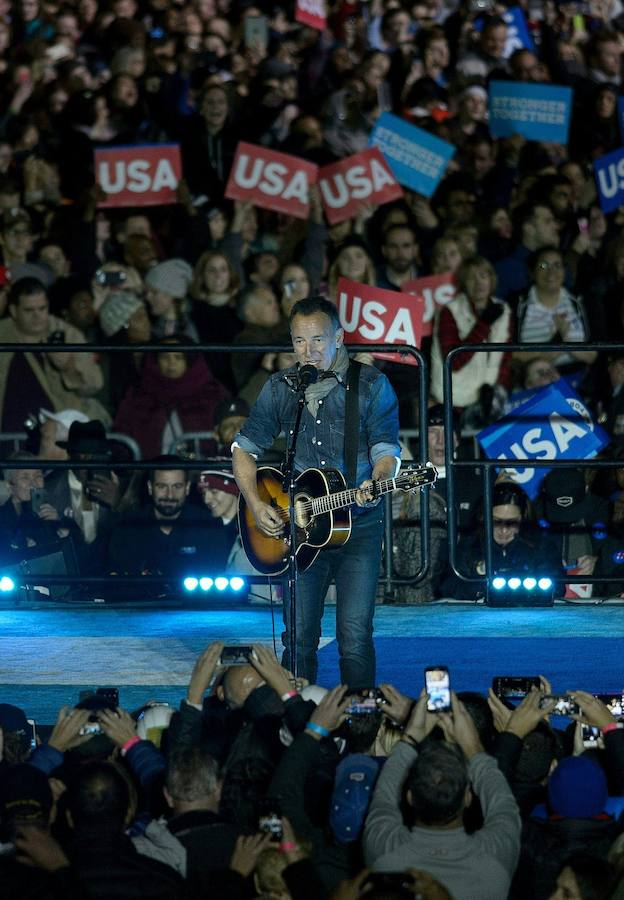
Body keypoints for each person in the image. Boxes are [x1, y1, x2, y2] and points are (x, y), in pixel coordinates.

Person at [232, 295, 401, 687]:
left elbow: (386, 449)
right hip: (300, 528)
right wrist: (257, 504)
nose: (308, 351)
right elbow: (244, 449)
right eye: (299, 342)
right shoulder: (282, 386)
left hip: (357, 524)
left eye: (318, 341)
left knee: (354, 637)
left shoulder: (372, 384)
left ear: (339, 338)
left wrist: (376, 480)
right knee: (299, 639)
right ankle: (298, 720)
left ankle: (360, 716)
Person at [107, 457, 221, 580]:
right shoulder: (128, 529)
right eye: (162, 487)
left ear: (187, 488)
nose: (169, 495)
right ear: (150, 488)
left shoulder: (207, 527)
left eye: (177, 486)